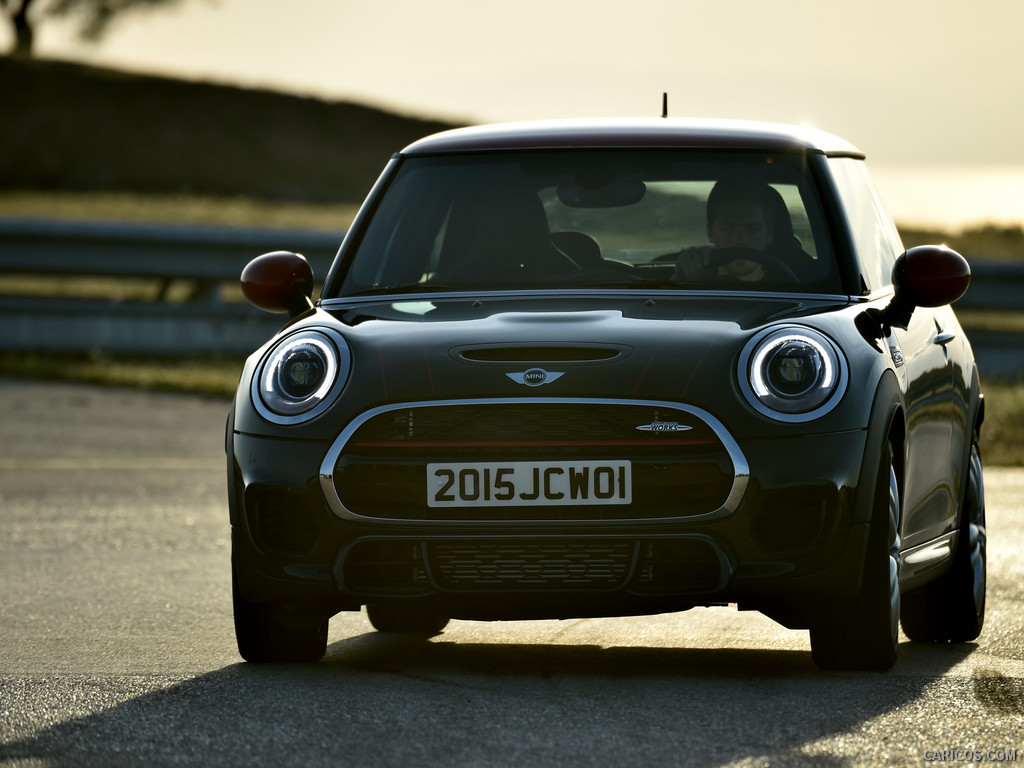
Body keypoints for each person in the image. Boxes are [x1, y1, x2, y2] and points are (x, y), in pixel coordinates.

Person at [672, 181, 801, 283]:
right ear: (710, 232)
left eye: (752, 228)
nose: (740, 240)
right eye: (728, 228)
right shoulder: (693, 285)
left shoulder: (797, 288)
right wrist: (681, 277)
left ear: (769, 233)